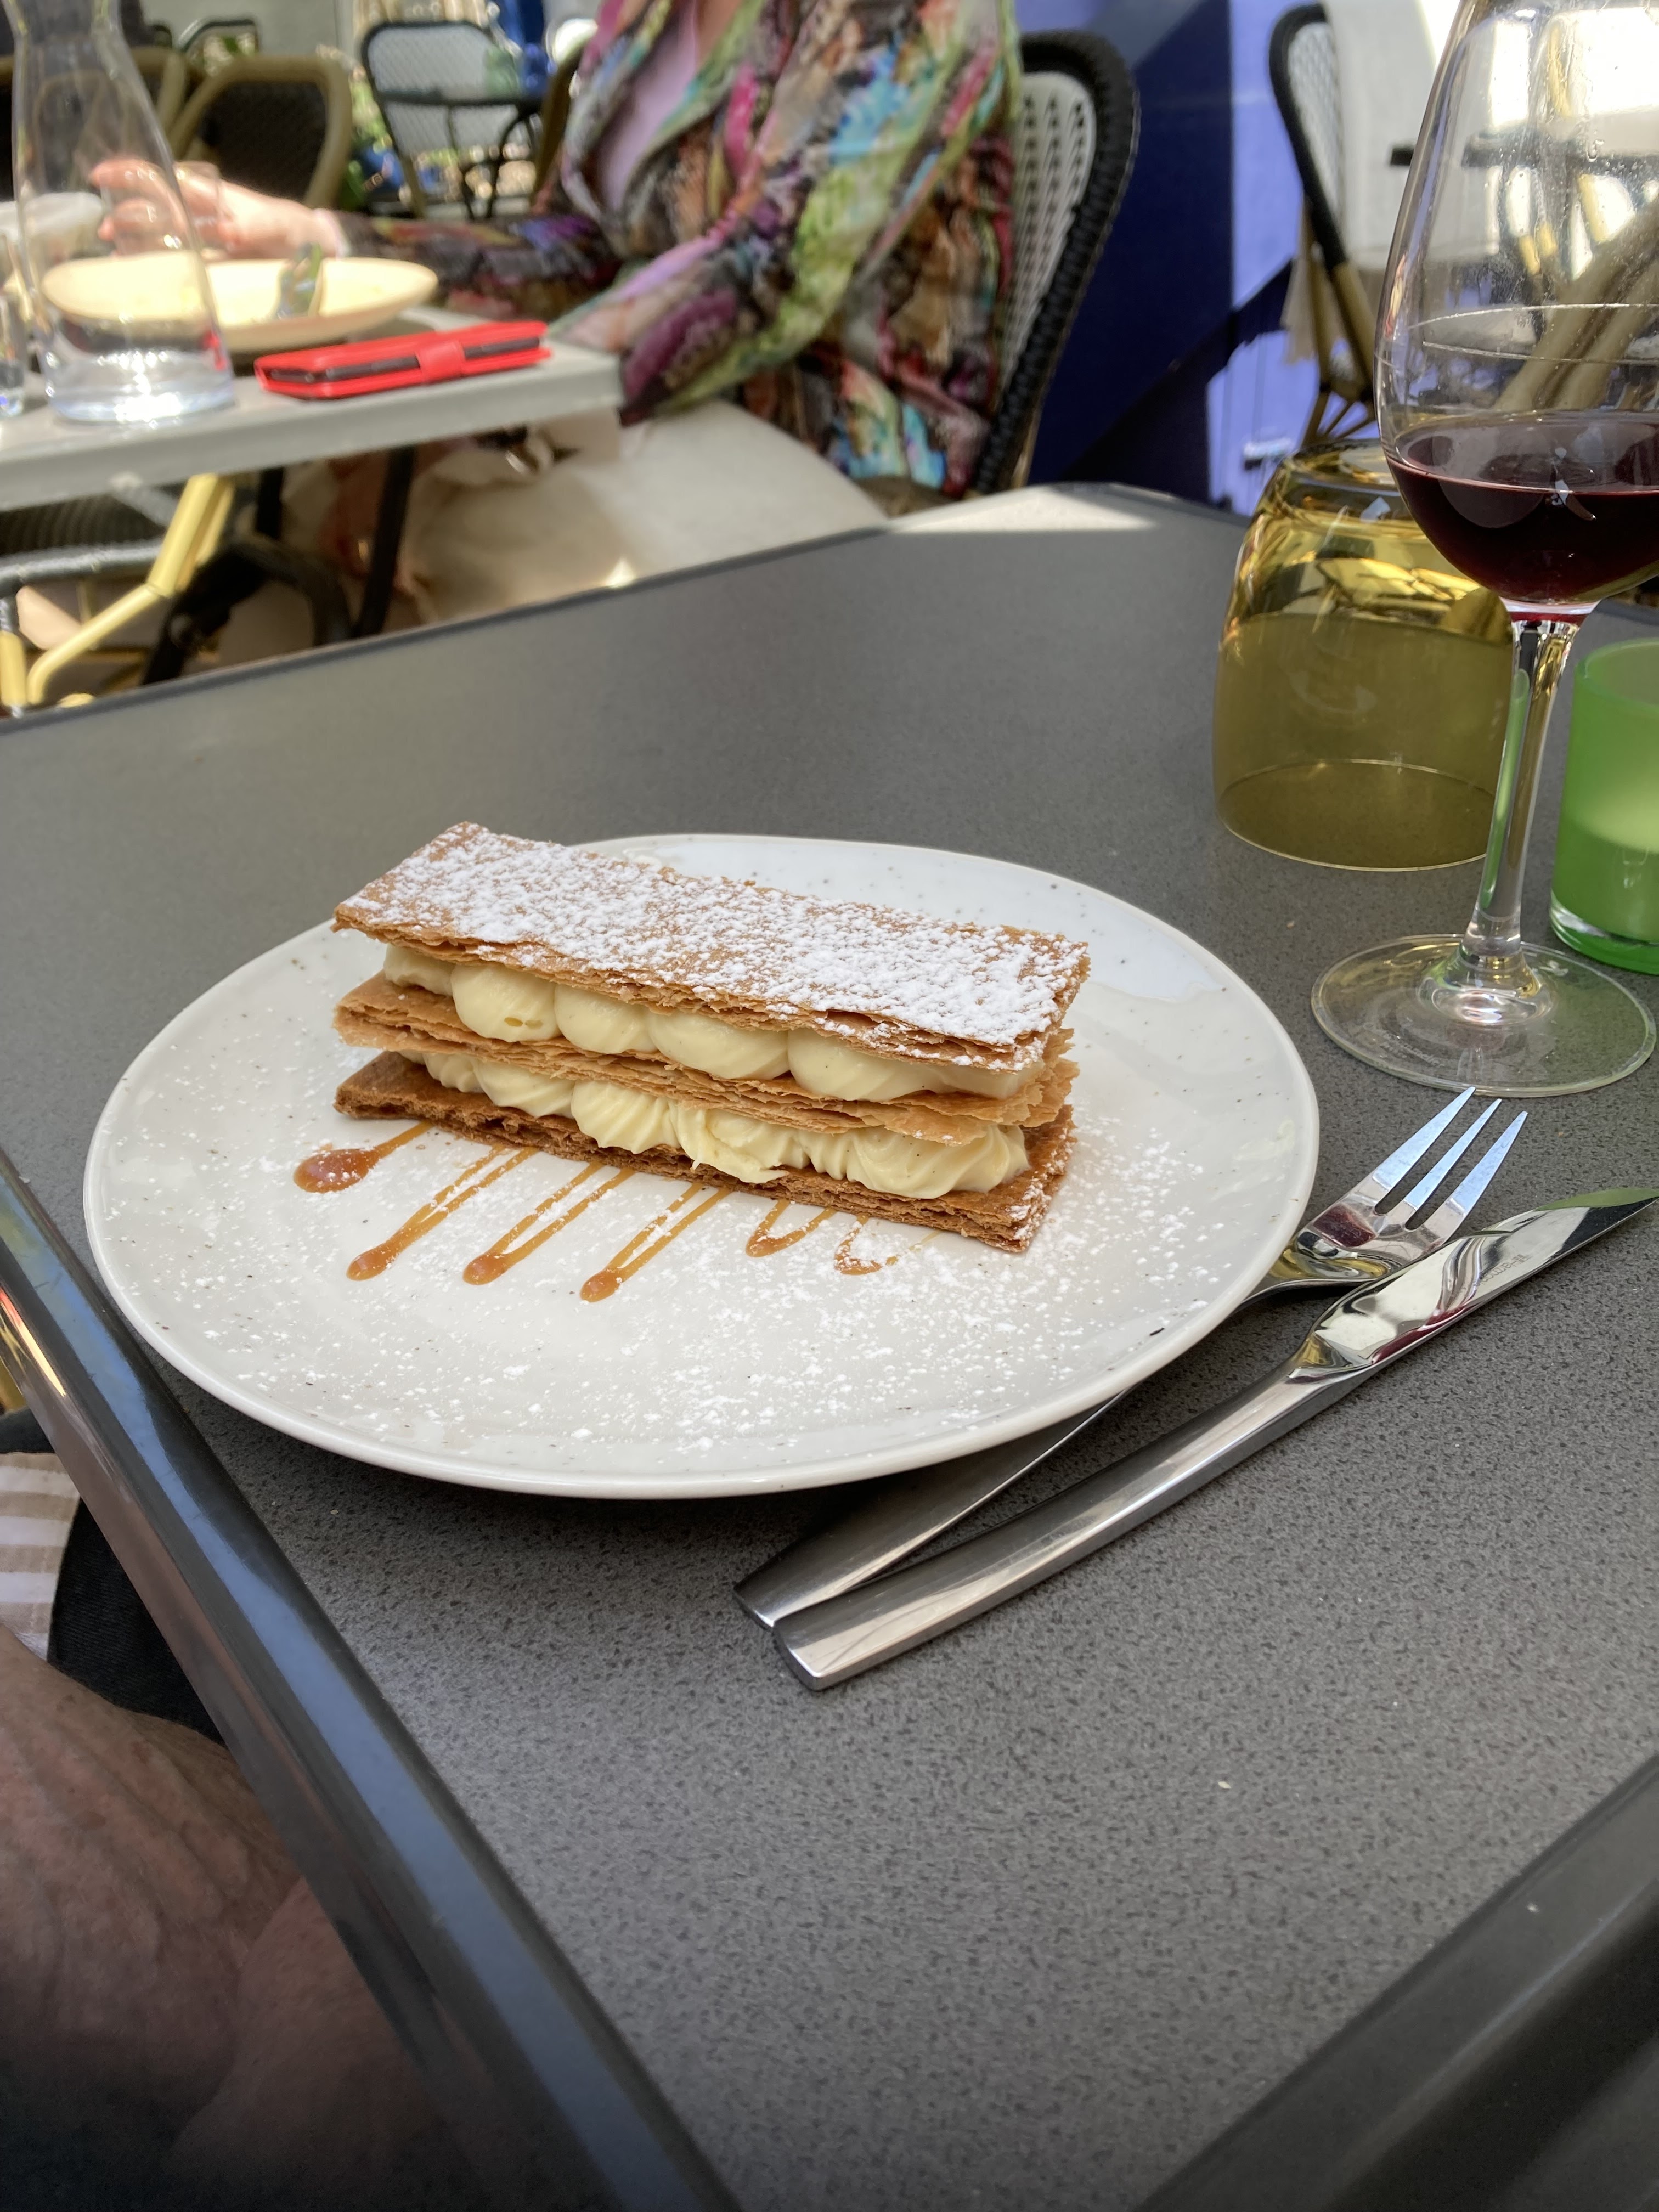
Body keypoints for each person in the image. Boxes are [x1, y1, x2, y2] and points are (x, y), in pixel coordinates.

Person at [157, 0, 1022, 626]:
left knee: (475, 534)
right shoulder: (646, 15)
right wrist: (323, 238)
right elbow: (576, 244)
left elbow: (764, 273)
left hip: (850, 450)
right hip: (645, 404)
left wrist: (473, 419)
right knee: (313, 495)